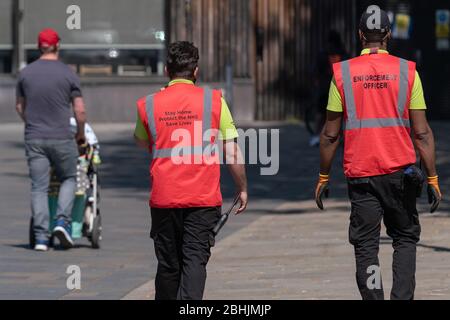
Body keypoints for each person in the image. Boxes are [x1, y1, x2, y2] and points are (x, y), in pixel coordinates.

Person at [315, 6, 442, 300]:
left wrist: (323, 176)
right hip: (400, 172)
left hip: (361, 174)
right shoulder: (408, 72)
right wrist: (433, 177)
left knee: (366, 244)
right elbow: (422, 133)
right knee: (405, 238)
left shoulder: (343, 73)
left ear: (360, 35)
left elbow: (330, 134)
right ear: (387, 35)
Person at [134, 41, 248, 300]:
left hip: (164, 198)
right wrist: (242, 187)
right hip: (203, 199)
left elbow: (142, 141)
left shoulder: (148, 104)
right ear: (196, 71)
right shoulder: (215, 101)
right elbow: (231, 152)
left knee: (168, 265)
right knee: (195, 262)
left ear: (166, 70)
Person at [16, 28, 87, 251]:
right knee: (68, 177)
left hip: (34, 137)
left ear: (39, 46)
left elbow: (19, 106)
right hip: (62, 137)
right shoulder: (68, 73)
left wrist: (32, 123)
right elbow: (80, 110)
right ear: (57, 46)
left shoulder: (26, 73)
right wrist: (81, 133)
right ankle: (62, 222)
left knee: (39, 186)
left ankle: (40, 238)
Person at [310, 30, 349, 147]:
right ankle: (340, 137)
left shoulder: (323, 53)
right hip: (340, 87)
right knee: (341, 115)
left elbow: (316, 70)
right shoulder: (344, 53)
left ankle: (316, 136)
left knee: (321, 114)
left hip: (325, 87)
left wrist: (316, 82)